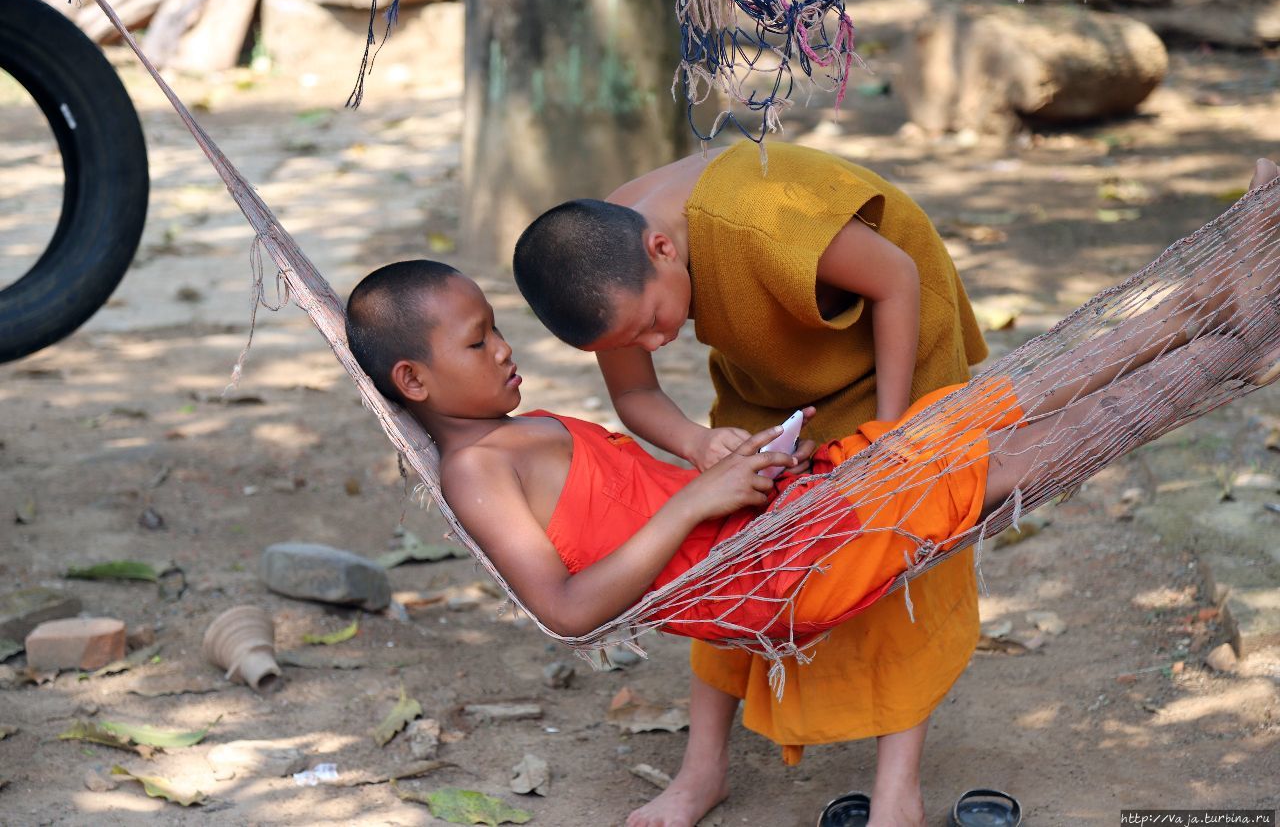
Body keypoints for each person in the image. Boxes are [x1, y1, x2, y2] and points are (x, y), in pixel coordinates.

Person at [346, 165, 1278, 821]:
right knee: (989, 460)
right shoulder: (476, 468)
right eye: (476, 343)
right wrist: (698, 500)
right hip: (772, 574)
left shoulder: (512, 422)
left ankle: (1213, 311)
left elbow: (640, 472)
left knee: (974, 421)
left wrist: (718, 476)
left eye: (494, 329)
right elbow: (564, 609)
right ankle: (1222, 337)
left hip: (771, 526)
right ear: (415, 383)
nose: (503, 350)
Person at [512, 140, 989, 827]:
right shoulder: (604, 263)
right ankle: (702, 771)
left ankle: (896, 794)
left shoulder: (757, 219)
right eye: (630, 339)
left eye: (653, 323)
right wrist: (700, 443)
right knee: (727, 551)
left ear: (663, 249)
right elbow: (637, 396)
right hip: (772, 375)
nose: (654, 343)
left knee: (895, 541)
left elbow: (898, 279)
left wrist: (888, 441)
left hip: (894, 347)